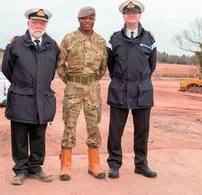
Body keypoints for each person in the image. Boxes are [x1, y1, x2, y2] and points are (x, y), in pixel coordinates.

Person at [2, 8, 60, 185]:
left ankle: (35, 168)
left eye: (42, 23)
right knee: (19, 135)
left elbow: (51, 71)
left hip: (42, 97)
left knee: (38, 135)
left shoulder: (52, 45)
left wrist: (39, 86)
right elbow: (7, 69)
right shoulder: (16, 44)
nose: (38, 26)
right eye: (35, 22)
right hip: (21, 97)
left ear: (46, 25)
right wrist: (24, 84)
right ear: (28, 23)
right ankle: (20, 170)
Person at [106, 0, 157, 179]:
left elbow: (152, 65)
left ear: (139, 15)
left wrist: (139, 81)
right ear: (124, 16)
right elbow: (110, 64)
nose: (131, 15)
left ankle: (141, 165)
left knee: (142, 130)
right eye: (128, 13)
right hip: (119, 88)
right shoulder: (115, 38)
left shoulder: (149, 39)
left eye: (135, 13)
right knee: (115, 131)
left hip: (142, 89)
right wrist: (122, 80)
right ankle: (114, 164)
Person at [57, 6, 107, 181]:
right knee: (69, 125)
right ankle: (65, 166)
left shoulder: (100, 41)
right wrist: (71, 81)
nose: (87, 21)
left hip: (93, 89)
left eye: (91, 18)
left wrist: (90, 81)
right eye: (84, 18)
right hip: (73, 89)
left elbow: (102, 68)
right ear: (79, 20)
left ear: (94, 19)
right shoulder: (69, 39)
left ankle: (94, 164)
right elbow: (60, 65)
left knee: (94, 127)